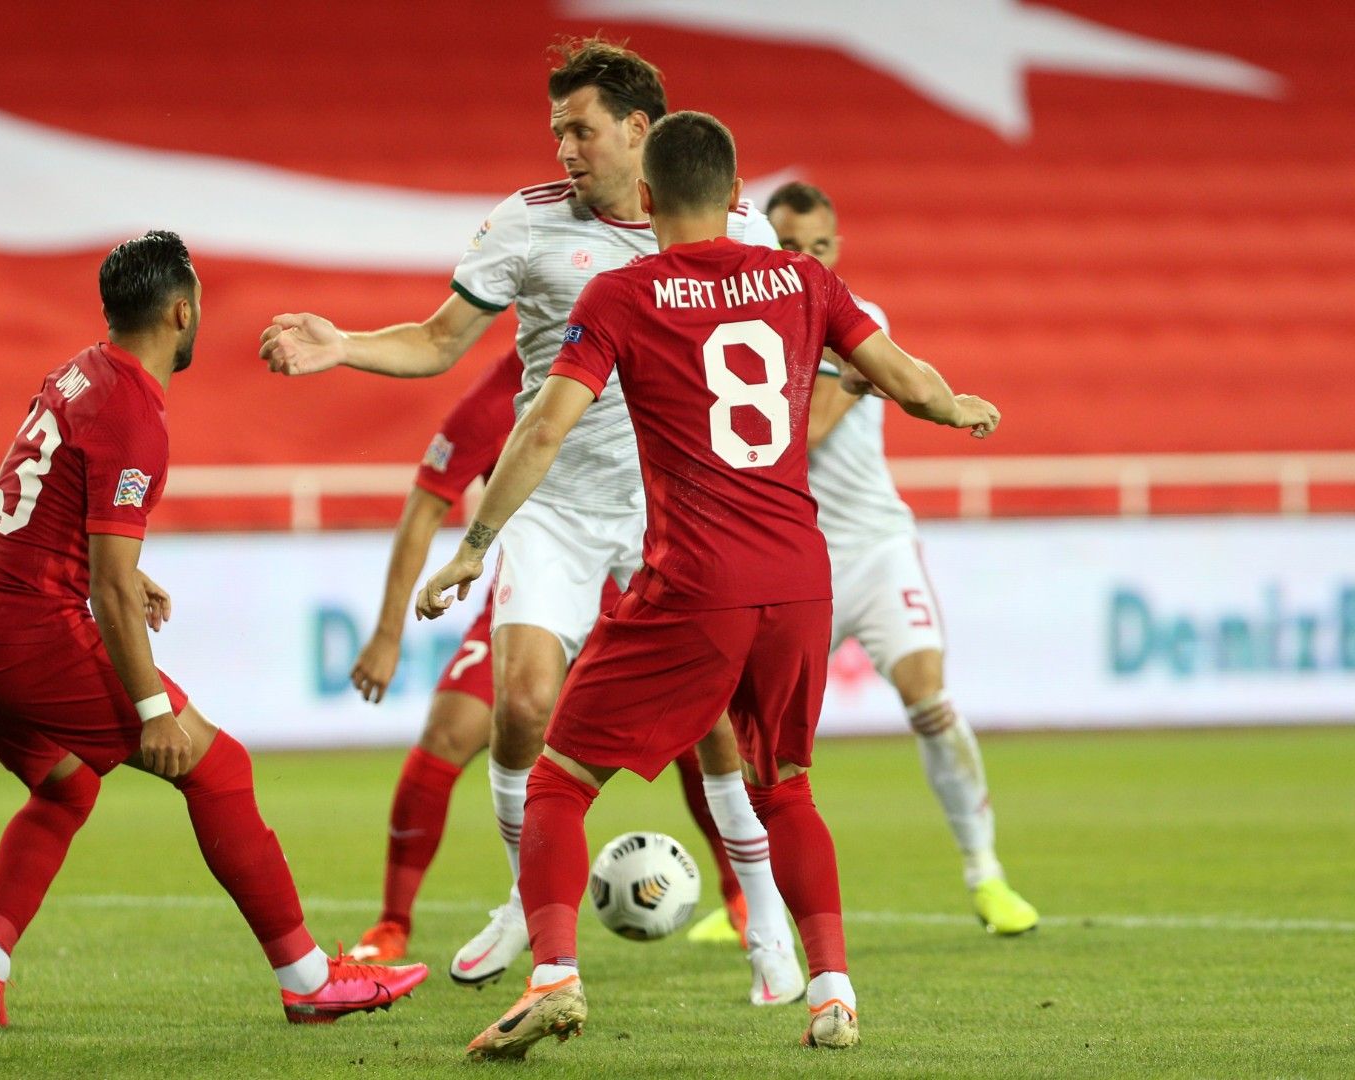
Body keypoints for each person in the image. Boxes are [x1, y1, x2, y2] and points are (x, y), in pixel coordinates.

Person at [414, 112, 999, 1058]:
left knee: (558, 778)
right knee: (789, 787)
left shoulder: (621, 292)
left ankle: (554, 975)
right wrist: (956, 405)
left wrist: (478, 541)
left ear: (646, 199)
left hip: (697, 579)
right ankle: (832, 990)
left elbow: (545, 430)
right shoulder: (804, 278)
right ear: (738, 198)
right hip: (801, 577)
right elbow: (898, 374)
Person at [262, 38, 798, 1002]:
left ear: (640, 131)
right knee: (519, 706)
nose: (563, 148)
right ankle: (526, 900)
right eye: (556, 130)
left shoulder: (734, 227)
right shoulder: (527, 223)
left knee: (716, 725)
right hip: (551, 507)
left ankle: (766, 927)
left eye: (580, 129)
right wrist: (342, 344)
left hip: (671, 508)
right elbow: (437, 343)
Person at [0, 230, 427, 1027]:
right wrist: (152, 710)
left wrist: (124, 572)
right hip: (28, 635)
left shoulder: (78, 372)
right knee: (218, 767)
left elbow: (51, 511)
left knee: (66, 788)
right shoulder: (136, 413)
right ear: (180, 311)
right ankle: (307, 979)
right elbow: (107, 591)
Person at [344, 349, 750, 962]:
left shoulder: (652, 361)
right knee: (449, 733)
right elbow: (427, 501)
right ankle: (395, 923)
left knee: (706, 726)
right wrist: (386, 630)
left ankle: (745, 902)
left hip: (633, 589)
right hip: (535, 590)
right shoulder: (500, 393)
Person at [769, 182, 1039, 935]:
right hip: (792, 561)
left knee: (929, 697)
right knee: (751, 736)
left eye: (818, 247)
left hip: (875, 545)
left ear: (836, 249)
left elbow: (811, 429)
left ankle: (986, 875)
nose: (804, 260)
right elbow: (793, 434)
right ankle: (749, 897)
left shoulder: (856, 316)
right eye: (789, 246)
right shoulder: (748, 323)